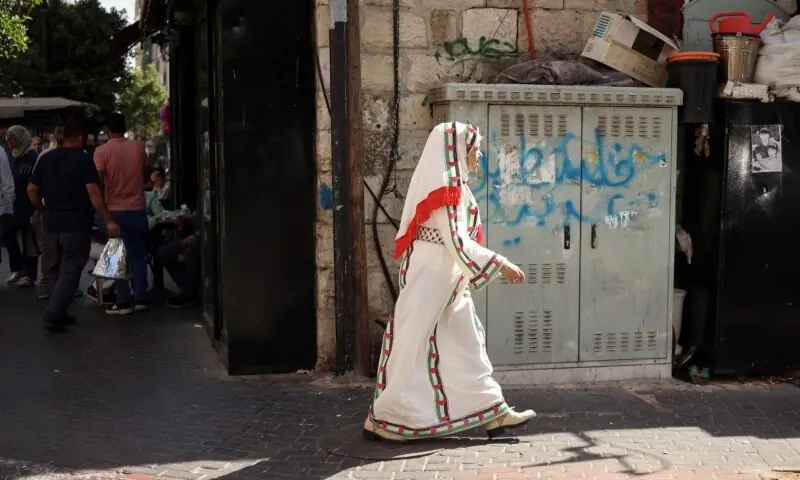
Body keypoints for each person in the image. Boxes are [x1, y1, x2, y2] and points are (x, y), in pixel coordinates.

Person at [363, 122, 534, 443]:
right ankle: (385, 419)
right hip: (430, 277)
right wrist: (501, 264)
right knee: (411, 344)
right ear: (456, 152)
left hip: (448, 278)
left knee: (467, 343)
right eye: (475, 150)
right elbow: (457, 242)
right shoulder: (445, 190)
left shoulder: (455, 188)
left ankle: (493, 412)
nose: (479, 156)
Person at [27, 119, 120, 332]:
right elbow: (93, 192)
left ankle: (59, 311)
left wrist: (41, 209)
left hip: (51, 222)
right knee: (71, 268)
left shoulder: (46, 158)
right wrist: (108, 219)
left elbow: (31, 189)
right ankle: (53, 313)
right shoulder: (83, 159)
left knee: (54, 267)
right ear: (80, 138)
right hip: (76, 223)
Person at [93, 113, 149, 315]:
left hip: (114, 210)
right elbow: (146, 175)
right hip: (137, 208)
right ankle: (141, 298)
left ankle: (123, 301)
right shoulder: (138, 148)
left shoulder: (102, 151)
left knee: (116, 256)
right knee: (139, 256)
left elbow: (98, 182)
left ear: (106, 130)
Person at [2, 126, 40, 287]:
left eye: (11, 137)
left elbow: (36, 181)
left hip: (27, 204)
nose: (9, 141)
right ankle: (17, 268)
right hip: (9, 205)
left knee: (28, 240)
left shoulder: (32, 157)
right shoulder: (8, 155)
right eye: (7, 138)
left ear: (20, 137)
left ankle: (29, 274)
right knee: (7, 237)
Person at [33, 122, 66, 300]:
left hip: (66, 212)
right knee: (50, 251)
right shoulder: (45, 156)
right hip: (52, 211)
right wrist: (40, 208)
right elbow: (33, 187)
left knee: (61, 252)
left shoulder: (80, 155)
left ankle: (62, 287)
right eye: (58, 132)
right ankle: (48, 286)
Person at [157, 212, 201, 308]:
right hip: (194, 233)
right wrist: (185, 221)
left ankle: (190, 292)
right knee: (164, 252)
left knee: (190, 253)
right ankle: (188, 288)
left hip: (202, 237)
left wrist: (197, 235)